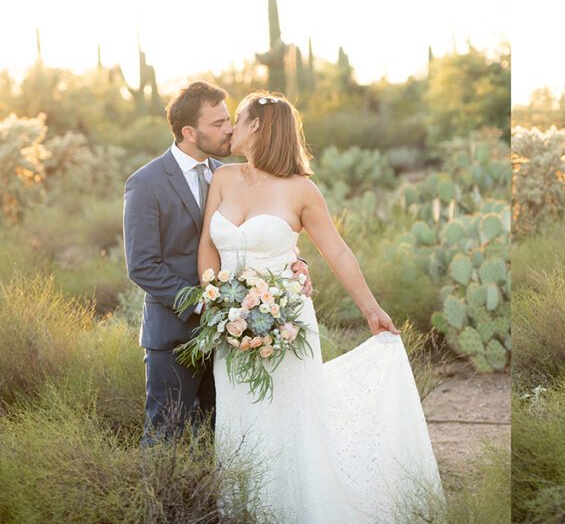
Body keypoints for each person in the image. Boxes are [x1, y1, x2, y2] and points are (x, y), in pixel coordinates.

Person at [198, 91, 443, 524]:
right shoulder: (224, 178)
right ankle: (247, 513)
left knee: (293, 420)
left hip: (286, 326)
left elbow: (339, 252)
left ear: (258, 127)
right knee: (243, 421)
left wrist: (371, 310)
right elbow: (207, 247)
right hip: (230, 328)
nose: (231, 127)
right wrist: (215, 303)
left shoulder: (302, 190)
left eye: (238, 118)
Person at [124, 81, 310, 444]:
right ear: (189, 132)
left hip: (234, 334)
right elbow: (143, 266)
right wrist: (206, 305)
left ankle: (212, 502)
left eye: (229, 120)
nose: (229, 129)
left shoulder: (230, 174)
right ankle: (158, 502)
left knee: (222, 433)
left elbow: (251, 231)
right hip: (175, 333)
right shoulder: (145, 184)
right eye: (218, 124)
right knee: (167, 433)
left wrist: (292, 259)